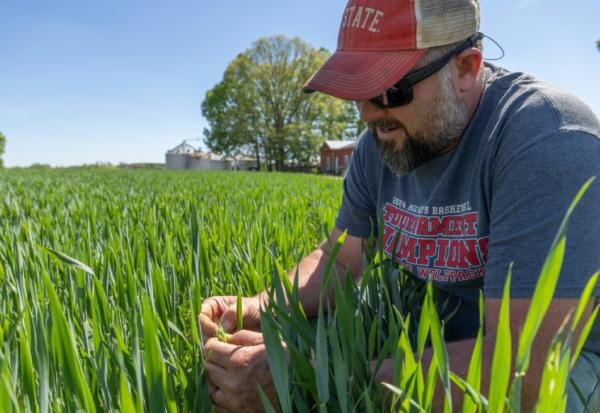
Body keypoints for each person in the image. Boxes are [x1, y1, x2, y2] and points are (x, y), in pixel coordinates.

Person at [199, 0, 600, 411]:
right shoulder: (383, 142)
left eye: (390, 91)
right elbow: (339, 261)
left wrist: (302, 378)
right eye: (358, 93)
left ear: (465, 67)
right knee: (312, 333)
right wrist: (255, 307)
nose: (370, 115)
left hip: (571, 357)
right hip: (441, 339)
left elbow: (522, 371)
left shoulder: (548, 140)